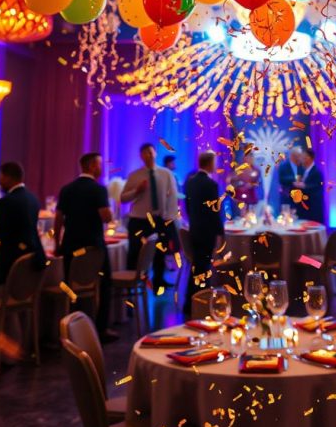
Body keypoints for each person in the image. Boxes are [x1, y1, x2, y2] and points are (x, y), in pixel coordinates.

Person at [54, 152, 116, 343]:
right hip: (94, 248)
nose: (101, 168)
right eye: (98, 164)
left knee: (72, 288)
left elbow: (58, 220)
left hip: (71, 246)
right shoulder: (98, 190)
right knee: (105, 284)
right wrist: (110, 213)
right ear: (90, 166)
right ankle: (101, 329)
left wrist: (57, 244)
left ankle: (72, 328)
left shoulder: (66, 189)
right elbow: (106, 217)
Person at [120, 142, 178, 293]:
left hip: (159, 219)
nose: (149, 155)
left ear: (155, 153)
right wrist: (136, 191)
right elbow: (123, 198)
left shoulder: (166, 174)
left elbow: (172, 197)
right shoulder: (135, 175)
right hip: (139, 220)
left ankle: (159, 282)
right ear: (141, 156)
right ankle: (131, 286)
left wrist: (170, 218)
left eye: (151, 152)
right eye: (145, 153)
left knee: (160, 252)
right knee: (135, 253)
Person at [0, 162, 45, 285]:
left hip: (12, 263)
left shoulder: (7, 201)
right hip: (32, 261)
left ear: (8, 177)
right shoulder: (33, 198)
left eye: (1, 177)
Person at [183, 150, 224, 315]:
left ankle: (190, 304)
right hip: (207, 232)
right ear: (210, 163)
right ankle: (199, 305)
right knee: (203, 268)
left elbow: (187, 206)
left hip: (195, 230)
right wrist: (221, 234)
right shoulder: (211, 185)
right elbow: (215, 212)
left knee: (197, 267)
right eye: (215, 162)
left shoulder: (190, 182)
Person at [297, 148, 325, 224]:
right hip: (305, 205)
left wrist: (304, 186)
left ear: (309, 158)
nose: (302, 159)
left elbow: (317, 186)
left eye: (304, 157)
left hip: (313, 205)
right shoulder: (304, 171)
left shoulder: (316, 171)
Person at [228, 150, 261, 215]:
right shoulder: (238, 169)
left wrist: (251, 185)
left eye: (251, 157)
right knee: (239, 217)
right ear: (244, 158)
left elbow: (258, 182)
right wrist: (240, 184)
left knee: (251, 216)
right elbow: (231, 181)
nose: (249, 159)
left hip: (251, 197)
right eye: (247, 157)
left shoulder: (256, 170)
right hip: (238, 197)